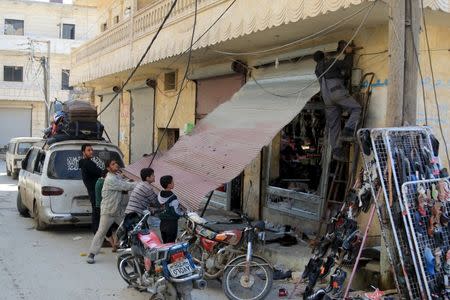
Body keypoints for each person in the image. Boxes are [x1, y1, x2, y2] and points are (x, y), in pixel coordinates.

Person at [313, 42, 361, 161]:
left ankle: (336, 150)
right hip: (336, 92)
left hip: (326, 98)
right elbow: (347, 65)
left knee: (334, 125)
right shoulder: (330, 62)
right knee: (356, 108)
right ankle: (348, 130)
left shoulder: (317, 69)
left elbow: (334, 74)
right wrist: (349, 53)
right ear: (324, 55)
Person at [86, 159, 136, 264]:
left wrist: (130, 180)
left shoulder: (116, 176)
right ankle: (92, 253)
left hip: (118, 211)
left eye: (116, 163)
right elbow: (125, 186)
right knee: (101, 232)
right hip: (108, 211)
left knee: (128, 229)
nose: (116, 165)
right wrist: (139, 183)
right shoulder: (110, 179)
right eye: (113, 164)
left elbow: (123, 181)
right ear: (108, 168)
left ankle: (124, 252)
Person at [122, 168, 162, 240]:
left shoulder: (140, 184)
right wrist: (164, 205)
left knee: (137, 234)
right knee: (144, 234)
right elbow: (156, 202)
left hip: (130, 212)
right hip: (136, 214)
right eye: (152, 175)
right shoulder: (147, 188)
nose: (154, 176)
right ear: (147, 178)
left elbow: (145, 201)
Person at [79, 144, 103, 233]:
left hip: (94, 191)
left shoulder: (86, 162)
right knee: (97, 214)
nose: (91, 152)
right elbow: (100, 172)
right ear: (83, 152)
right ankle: (97, 234)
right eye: (88, 150)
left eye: (91, 150)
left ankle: (98, 233)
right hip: (95, 192)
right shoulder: (88, 163)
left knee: (97, 213)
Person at [94, 170, 119, 251]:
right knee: (108, 228)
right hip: (103, 208)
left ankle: (114, 245)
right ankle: (114, 245)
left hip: (100, 207)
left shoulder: (99, 181)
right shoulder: (103, 183)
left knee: (107, 228)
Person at [158, 175, 185, 243]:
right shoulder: (173, 198)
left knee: (165, 243)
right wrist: (183, 213)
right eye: (172, 182)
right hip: (171, 225)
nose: (174, 183)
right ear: (169, 185)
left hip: (162, 224)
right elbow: (176, 212)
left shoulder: (159, 195)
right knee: (171, 244)